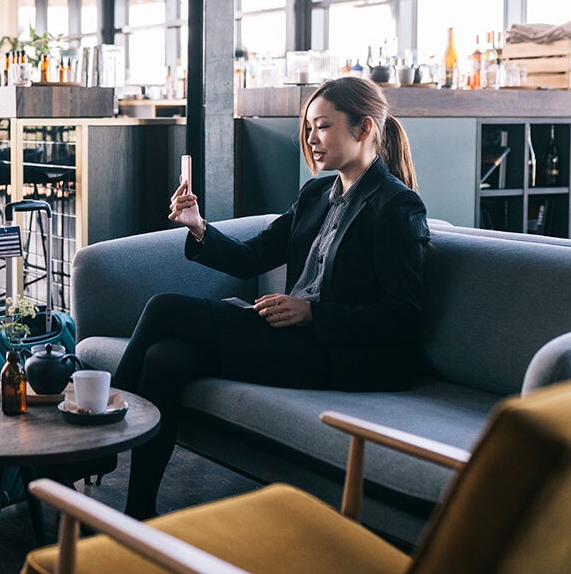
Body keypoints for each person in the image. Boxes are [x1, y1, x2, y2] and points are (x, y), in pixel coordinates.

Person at [112, 76, 430, 519]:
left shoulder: (396, 206)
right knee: (165, 358)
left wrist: (312, 312)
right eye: (308, 128)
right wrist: (198, 226)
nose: (311, 139)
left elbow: (401, 316)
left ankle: (100, 429)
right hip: (295, 339)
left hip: (344, 354)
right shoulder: (317, 193)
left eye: (323, 126)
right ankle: (137, 514)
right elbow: (253, 257)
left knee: (165, 308)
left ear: (364, 129)